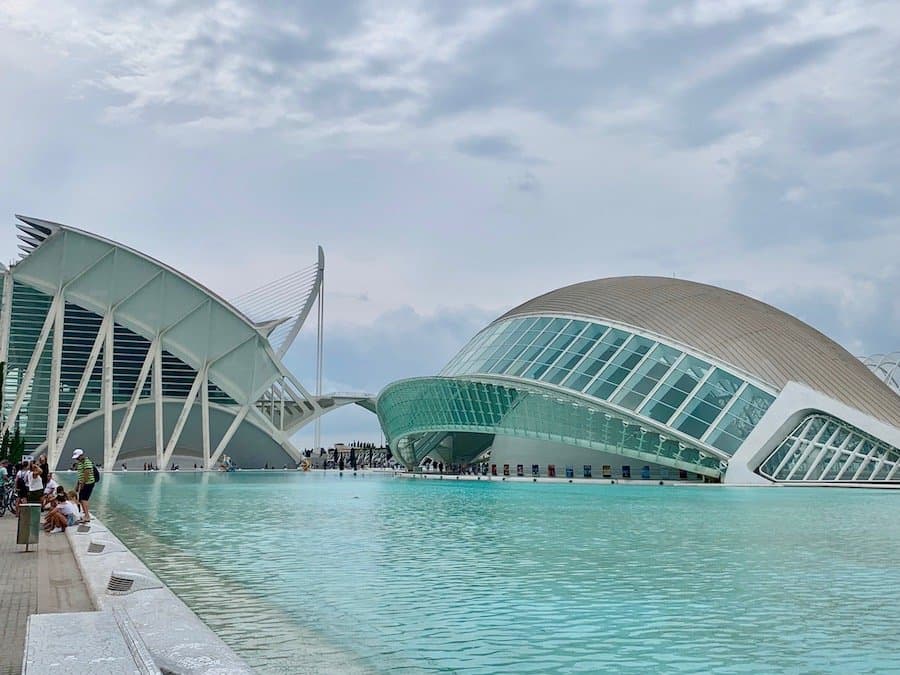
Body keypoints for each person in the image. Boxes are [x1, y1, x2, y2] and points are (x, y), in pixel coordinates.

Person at [72, 448, 96, 523]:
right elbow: (81, 475)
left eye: (78, 457)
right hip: (83, 483)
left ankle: (87, 516)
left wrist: (83, 484)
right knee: (81, 499)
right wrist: (78, 484)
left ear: (81, 455)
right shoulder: (80, 463)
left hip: (88, 483)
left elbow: (87, 473)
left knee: (84, 499)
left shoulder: (87, 462)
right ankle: (86, 514)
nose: (77, 459)